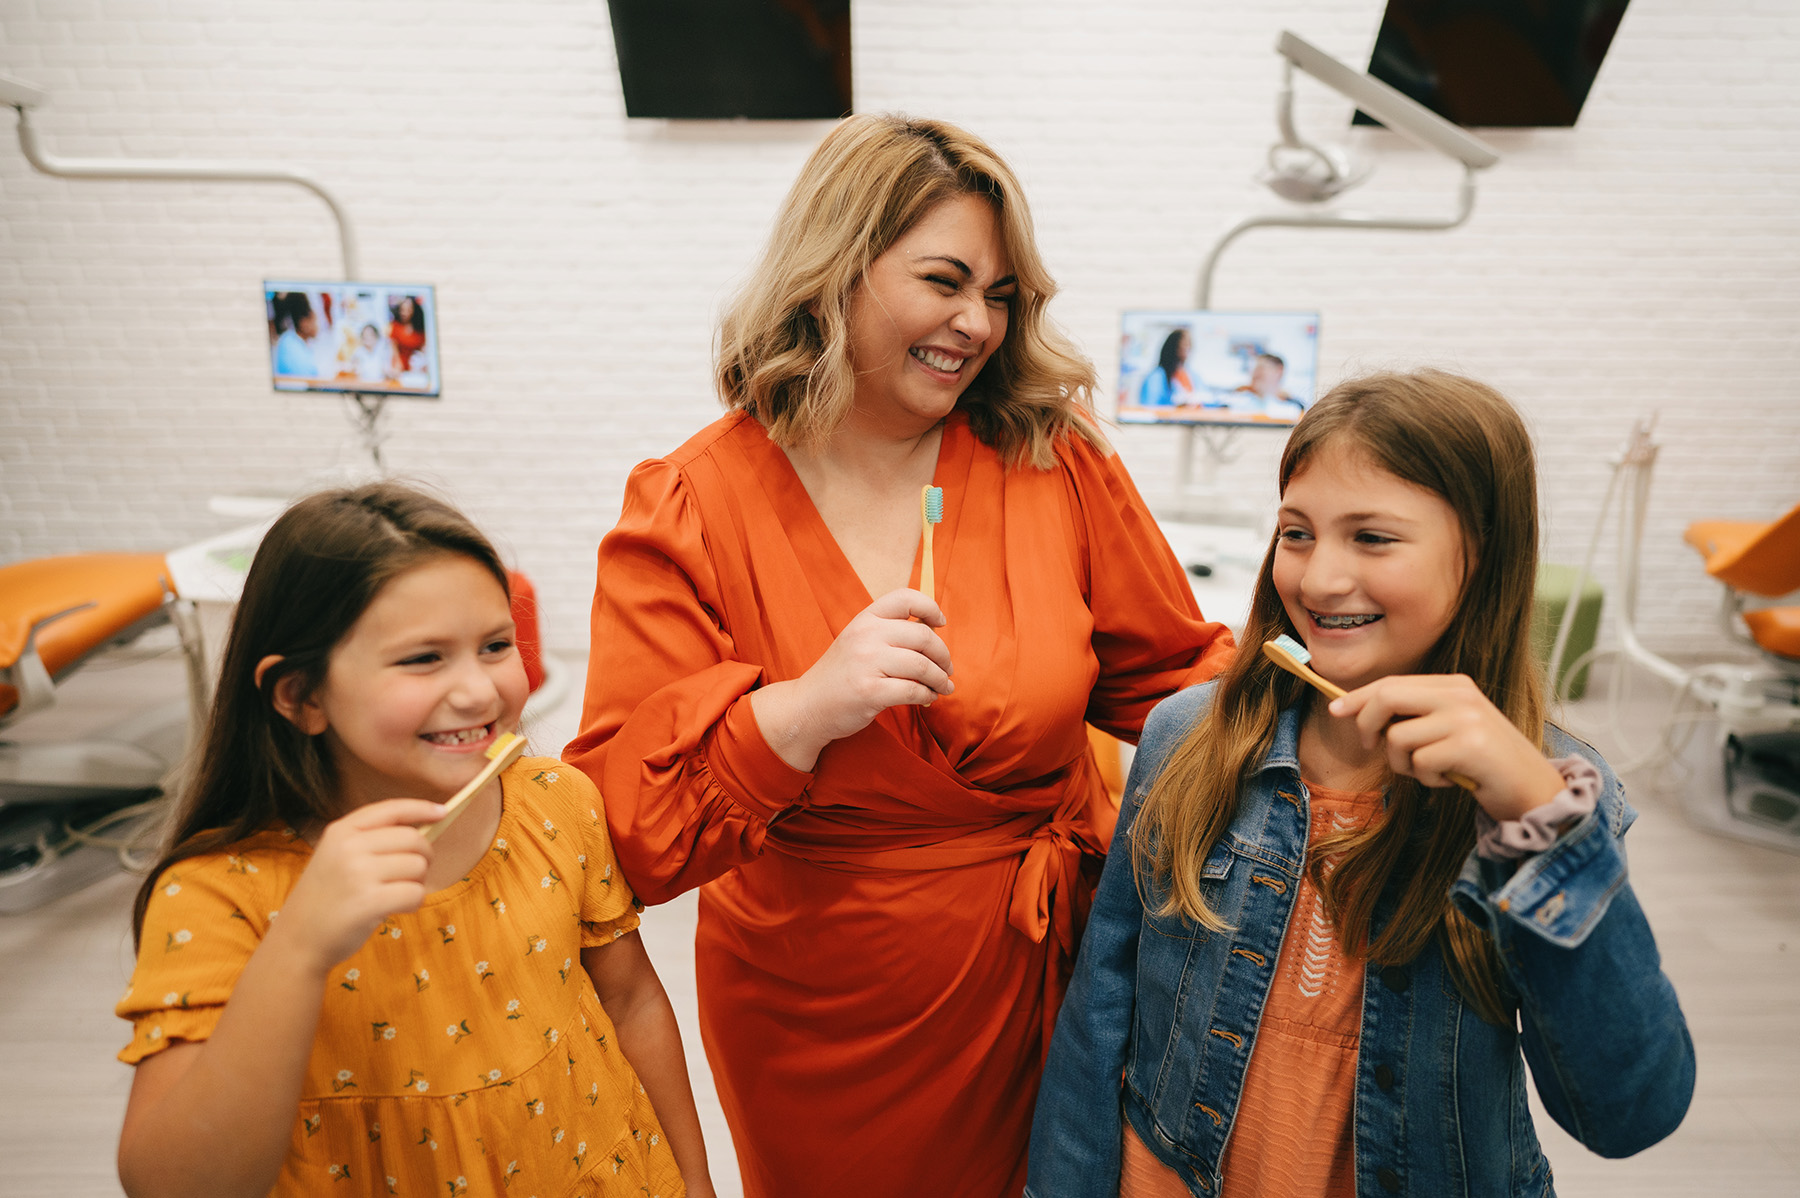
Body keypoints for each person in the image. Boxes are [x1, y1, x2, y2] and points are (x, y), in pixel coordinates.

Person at [563, 114, 1234, 1198]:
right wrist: (799, 712)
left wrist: (1336, 690)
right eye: (945, 280)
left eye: (1002, 295)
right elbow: (628, 835)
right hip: (817, 1020)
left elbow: (1174, 679)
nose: (977, 323)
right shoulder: (692, 503)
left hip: (1057, 985)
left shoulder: (1049, 461)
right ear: (836, 269)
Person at [1028, 370, 1694, 1197]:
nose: (1317, 580)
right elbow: (1103, 1010)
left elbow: (1629, 1112)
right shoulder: (1186, 736)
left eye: (1372, 538)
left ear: (1481, 555)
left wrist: (1540, 819)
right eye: (1297, 533)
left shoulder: (1550, 793)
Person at [114, 482, 715, 1198]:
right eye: (424, 659)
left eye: (496, 646)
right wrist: (300, 947)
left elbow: (631, 1003)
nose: (479, 691)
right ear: (300, 696)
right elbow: (172, 1184)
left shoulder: (556, 804)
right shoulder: (219, 895)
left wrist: (694, 1180)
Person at [1136, 329, 1194, 407]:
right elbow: (1149, 408)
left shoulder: (1190, 375)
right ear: (1174, 347)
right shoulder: (1156, 377)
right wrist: (1176, 407)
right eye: (1184, 345)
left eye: (1189, 345)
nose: (1187, 348)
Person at [271, 291, 320, 378]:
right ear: (304, 323)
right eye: (315, 319)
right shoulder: (292, 348)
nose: (318, 325)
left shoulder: (288, 340)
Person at [388, 295, 427, 371]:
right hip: (398, 365)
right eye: (402, 310)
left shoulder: (420, 329)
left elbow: (423, 349)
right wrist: (398, 364)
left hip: (416, 366)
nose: (404, 313)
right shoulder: (396, 325)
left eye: (408, 310)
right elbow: (393, 348)